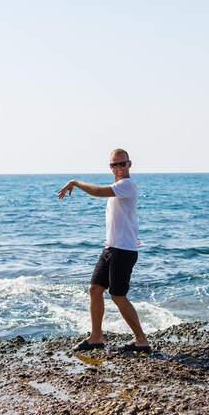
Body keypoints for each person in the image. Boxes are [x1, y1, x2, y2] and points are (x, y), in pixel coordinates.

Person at [57, 149, 150, 352]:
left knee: (118, 296)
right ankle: (96, 337)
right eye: (113, 165)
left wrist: (74, 182)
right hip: (110, 248)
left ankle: (141, 340)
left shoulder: (127, 185)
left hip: (123, 251)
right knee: (95, 289)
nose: (117, 168)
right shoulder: (119, 187)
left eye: (121, 164)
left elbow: (98, 192)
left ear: (129, 164)